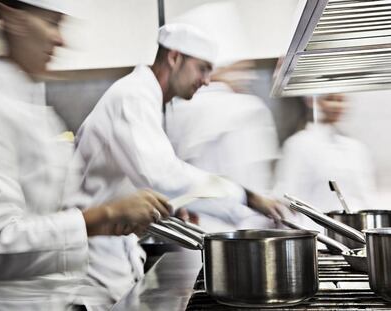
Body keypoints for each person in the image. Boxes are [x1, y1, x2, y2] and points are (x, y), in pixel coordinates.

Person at [0, 0, 171, 310]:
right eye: (52, 22)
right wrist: (106, 216)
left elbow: (53, 213)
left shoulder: (33, 106)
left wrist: (119, 211)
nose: (61, 40)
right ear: (11, 17)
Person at [73, 23, 285, 302]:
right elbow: (164, 175)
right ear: (174, 58)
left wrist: (172, 208)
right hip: (94, 269)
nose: (208, 80)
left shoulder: (145, 99)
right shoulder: (131, 97)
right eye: (202, 68)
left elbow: (144, 180)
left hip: (112, 260)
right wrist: (246, 196)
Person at [165, 60, 281, 231]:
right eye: (241, 69)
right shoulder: (246, 108)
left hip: (197, 228)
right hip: (240, 227)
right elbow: (254, 182)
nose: (247, 77)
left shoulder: (179, 109)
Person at [274, 94, 377, 231]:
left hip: (357, 233)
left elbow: (367, 196)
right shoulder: (298, 145)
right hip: (317, 235)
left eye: (341, 101)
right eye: (330, 99)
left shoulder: (356, 148)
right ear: (312, 101)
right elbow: (288, 198)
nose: (336, 106)